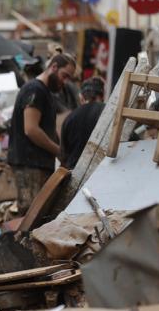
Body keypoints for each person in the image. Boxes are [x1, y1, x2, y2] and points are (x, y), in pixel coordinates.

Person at [8, 53, 75, 211]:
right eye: (64, 76)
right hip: (30, 164)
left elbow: (46, 129)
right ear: (53, 67)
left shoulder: (44, 92)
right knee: (30, 216)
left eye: (68, 79)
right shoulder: (35, 90)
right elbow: (31, 129)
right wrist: (59, 151)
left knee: (34, 216)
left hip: (36, 165)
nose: (65, 83)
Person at [60, 77, 105, 169]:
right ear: (102, 96)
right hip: (101, 172)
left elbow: (63, 154)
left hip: (74, 172)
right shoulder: (109, 112)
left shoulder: (69, 118)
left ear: (81, 97)